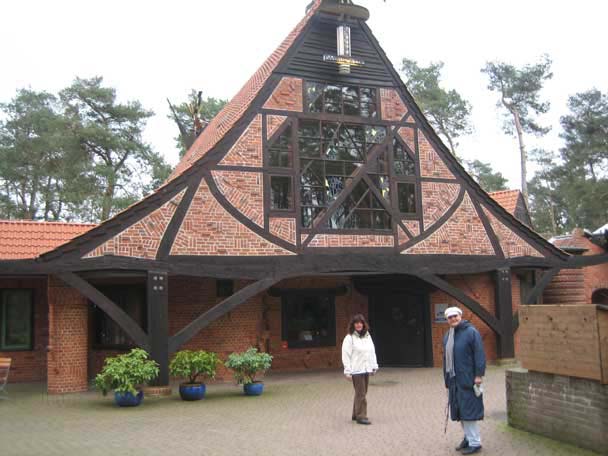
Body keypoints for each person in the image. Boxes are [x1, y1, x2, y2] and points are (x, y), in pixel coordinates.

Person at [443, 307, 486, 454]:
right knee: (460, 410)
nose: (453, 319)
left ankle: (475, 442)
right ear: (447, 320)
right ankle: (468, 437)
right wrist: (446, 380)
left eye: (455, 316)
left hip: (468, 378)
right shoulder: (448, 335)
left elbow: (479, 354)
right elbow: (445, 360)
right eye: (450, 317)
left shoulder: (471, 332)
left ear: (460, 316)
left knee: (469, 411)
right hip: (454, 379)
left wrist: (479, 375)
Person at [341, 314, 378, 425]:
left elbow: (372, 351)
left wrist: (373, 366)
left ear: (363, 324)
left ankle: (355, 414)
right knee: (361, 393)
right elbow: (345, 355)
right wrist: (347, 371)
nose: (358, 325)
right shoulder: (349, 338)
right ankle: (361, 416)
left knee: (361, 392)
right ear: (353, 325)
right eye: (356, 323)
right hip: (356, 370)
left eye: (360, 322)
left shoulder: (367, 336)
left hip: (366, 369)